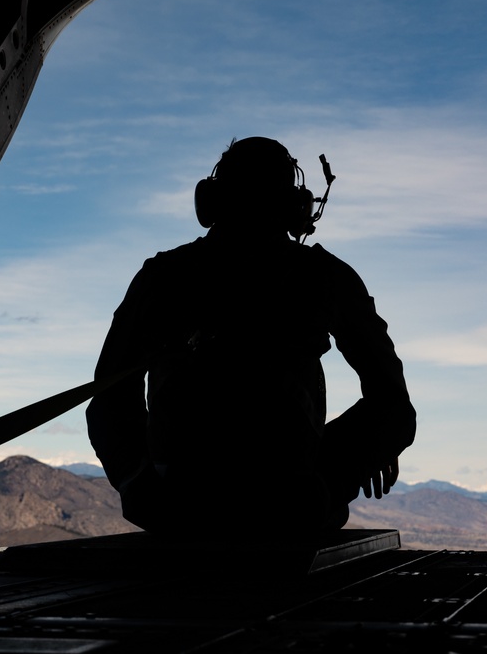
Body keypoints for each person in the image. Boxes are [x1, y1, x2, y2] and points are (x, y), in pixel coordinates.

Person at [86, 136, 416, 537]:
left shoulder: (161, 277)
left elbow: (108, 400)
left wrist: (139, 482)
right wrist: (333, 481)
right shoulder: (326, 277)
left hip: (180, 509)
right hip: (291, 508)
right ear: (297, 206)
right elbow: (394, 409)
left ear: (210, 201)